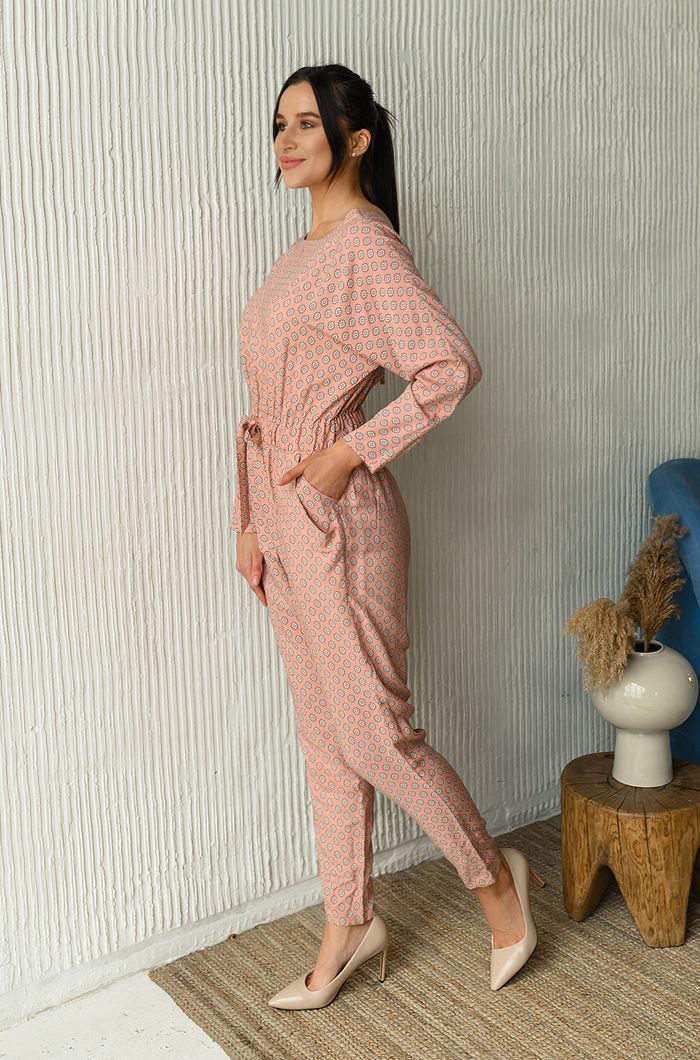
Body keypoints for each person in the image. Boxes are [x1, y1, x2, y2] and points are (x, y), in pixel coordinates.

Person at [231, 64, 545, 1009]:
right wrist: (248, 520)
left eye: (307, 123)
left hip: (342, 524)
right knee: (326, 738)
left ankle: (497, 886)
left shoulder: (366, 247)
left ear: (356, 139)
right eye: (279, 124)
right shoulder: (298, 255)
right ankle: (349, 923)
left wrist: (347, 454)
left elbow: (450, 366)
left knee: (376, 736)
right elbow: (263, 409)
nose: (287, 140)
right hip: (282, 527)